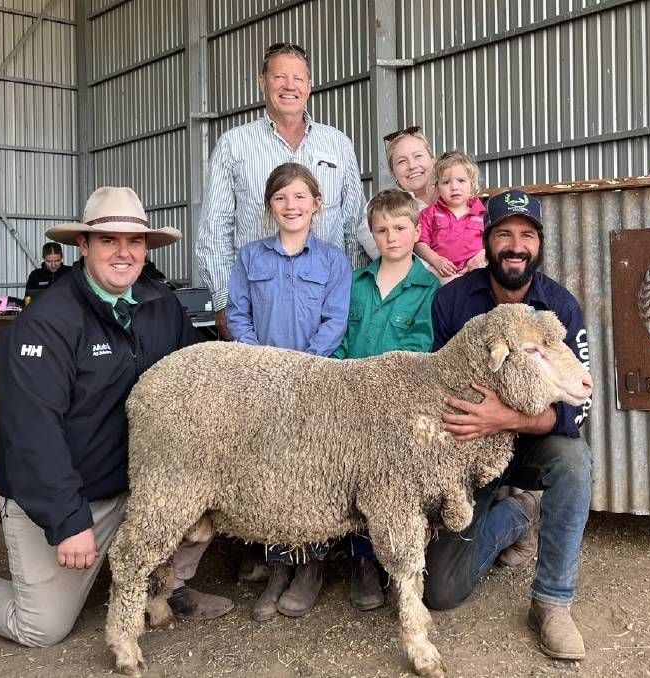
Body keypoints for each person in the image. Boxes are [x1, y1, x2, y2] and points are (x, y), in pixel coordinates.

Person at [0, 187, 233, 647]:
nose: (124, 253)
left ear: (147, 248)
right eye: (109, 240)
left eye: (135, 241)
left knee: (211, 499)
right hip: (72, 490)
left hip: (135, 479)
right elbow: (32, 434)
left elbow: (199, 372)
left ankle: (167, 585)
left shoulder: (160, 304)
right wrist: (68, 521)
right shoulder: (46, 323)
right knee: (42, 627)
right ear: (83, 245)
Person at [423, 189, 593, 661]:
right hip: (471, 448)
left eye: (526, 235)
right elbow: (436, 384)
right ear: (487, 240)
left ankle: (552, 603)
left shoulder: (559, 306)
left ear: (538, 244)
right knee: (440, 593)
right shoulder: (453, 302)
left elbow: (579, 406)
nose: (515, 246)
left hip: (532, 440)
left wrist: (510, 418)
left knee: (575, 461)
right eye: (504, 234)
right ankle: (517, 517)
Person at [227, 163, 352, 620]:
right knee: (269, 471)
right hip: (261, 382)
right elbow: (237, 315)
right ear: (269, 207)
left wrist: (302, 369)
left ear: (317, 205)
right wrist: (261, 364)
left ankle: (312, 566)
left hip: (314, 380)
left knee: (315, 471)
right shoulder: (249, 258)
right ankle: (278, 565)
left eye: (300, 197)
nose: (291, 206)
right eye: (281, 198)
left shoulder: (333, 261)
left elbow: (335, 321)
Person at [197, 41, 364, 341]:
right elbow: (214, 230)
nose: (290, 86)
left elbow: (354, 226)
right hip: (258, 313)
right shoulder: (234, 145)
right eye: (279, 77)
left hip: (326, 309)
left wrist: (347, 300)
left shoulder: (338, 144)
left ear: (310, 86)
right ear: (263, 82)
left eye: (298, 78)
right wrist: (224, 302)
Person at [333, 188, 439, 610]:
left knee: (394, 487)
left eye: (399, 228)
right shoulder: (356, 284)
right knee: (351, 480)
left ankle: (398, 565)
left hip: (396, 407)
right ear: (372, 235)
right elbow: (340, 339)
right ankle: (361, 562)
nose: (391, 237)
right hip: (351, 399)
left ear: (416, 231)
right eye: (381, 230)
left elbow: (423, 346)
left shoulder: (428, 288)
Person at [356, 126, 437, 260]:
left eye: (418, 156)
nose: (412, 165)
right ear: (393, 172)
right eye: (401, 161)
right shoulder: (380, 207)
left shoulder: (457, 195)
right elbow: (389, 260)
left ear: (433, 160)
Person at [414, 151, 487, 284]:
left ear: (472, 184)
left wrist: (482, 255)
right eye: (446, 182)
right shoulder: (429, 213)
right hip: (441, 275)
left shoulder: (482, 214)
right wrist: (436, 260)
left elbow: (492, 242)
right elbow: (419, 243)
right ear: (437, 186)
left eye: (461, 180)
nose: (454, 187)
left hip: (475, 273)